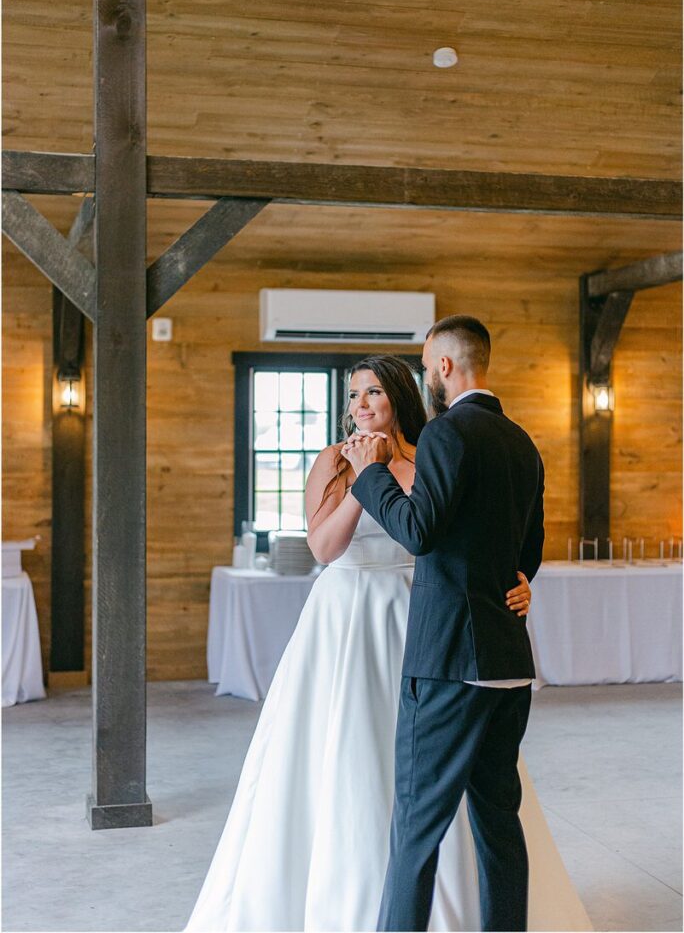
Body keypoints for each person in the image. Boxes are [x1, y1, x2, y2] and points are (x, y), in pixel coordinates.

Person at [185, 351, 592, 933]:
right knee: (352, 749)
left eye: (372, 393)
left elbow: (473, 535)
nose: (360, 406)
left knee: (451, 775)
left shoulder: (436, 453)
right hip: (348, 621)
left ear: (399, 396)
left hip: (424, 615)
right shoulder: (333, 460)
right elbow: (324, 550)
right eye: (353, 396)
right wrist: (361, 477)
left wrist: (520, 577)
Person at [343, 316, 545, 931]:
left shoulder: (445, 434)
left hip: (450, 663)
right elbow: (528, 552)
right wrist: (515, 586)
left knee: (416, 828)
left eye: (428, 365)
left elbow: (417, 531)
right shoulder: (521, 442)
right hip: (507, 665)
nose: (427, 376)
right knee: (499, 829)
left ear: (446, 367)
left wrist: (369, 474)